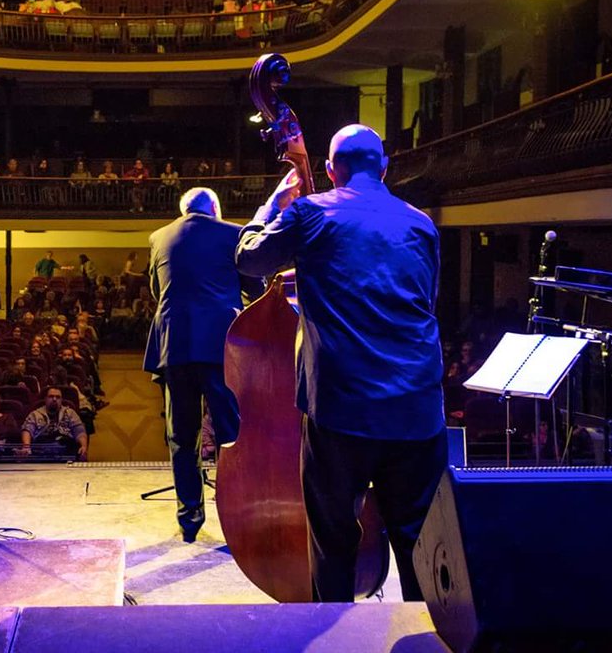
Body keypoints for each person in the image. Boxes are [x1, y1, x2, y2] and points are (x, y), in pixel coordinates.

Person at [235, 123, 446, 603]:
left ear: (331, 171)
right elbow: (424, 301)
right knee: (419, 544)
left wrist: (271, 208)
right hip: (416, 409)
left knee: (332, 542)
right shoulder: (421, 224)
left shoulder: (311, 212)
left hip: (341, 409)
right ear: (386, 167)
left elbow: (249, 259)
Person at [143, 187, 257, 542]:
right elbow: (255, 289)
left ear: (183, 212)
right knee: (231, 433)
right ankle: (239, 516)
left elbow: (155, 289)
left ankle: (189, 518)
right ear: (216, 209)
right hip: (220, 344)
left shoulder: (159, 237)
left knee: (181, 435)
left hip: (174, 344)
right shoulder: (233, 233)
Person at [21, 387, 88, 460]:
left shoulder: (70, 413)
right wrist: (26, 447)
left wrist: (83, 446)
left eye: (58, 397)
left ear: (61, 400)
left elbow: (80, 432)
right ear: (45, 399)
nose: (54, 399)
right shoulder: (35, 414)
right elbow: (27, 430)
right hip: (42, 452)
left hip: (66, 451)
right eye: (51, 396)